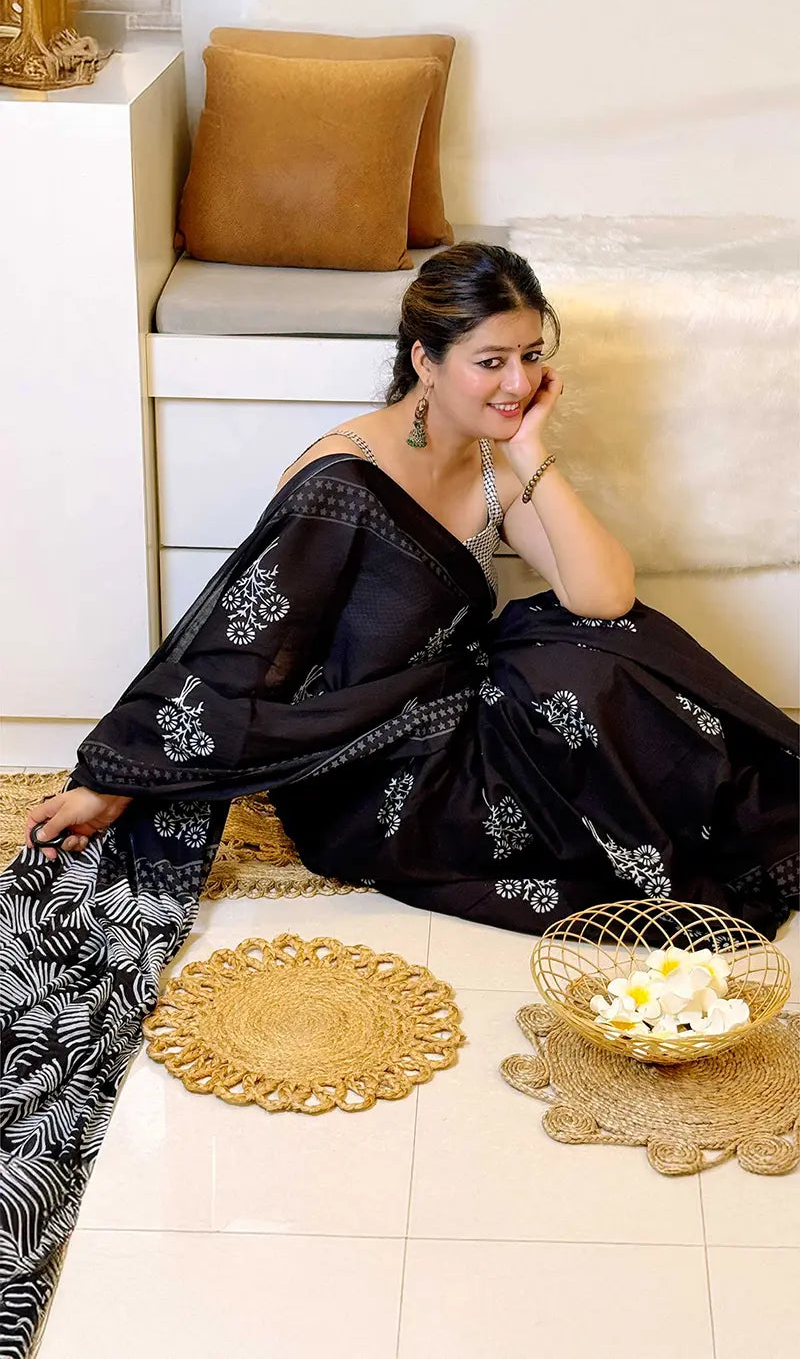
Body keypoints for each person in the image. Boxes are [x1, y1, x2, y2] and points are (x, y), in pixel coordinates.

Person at [3, 242, 798, 1358]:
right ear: (421, 360)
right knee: (575, 674)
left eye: (529, 357)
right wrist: (113, 781)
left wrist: (531, 455)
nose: (512, 380)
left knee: (598, 651)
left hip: (456, 701)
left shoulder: (488, 456)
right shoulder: (341, 479)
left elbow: (600, 593)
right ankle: (648, 841)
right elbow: (238, 651)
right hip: (367, 768)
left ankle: (683, 826)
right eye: (486, 363)